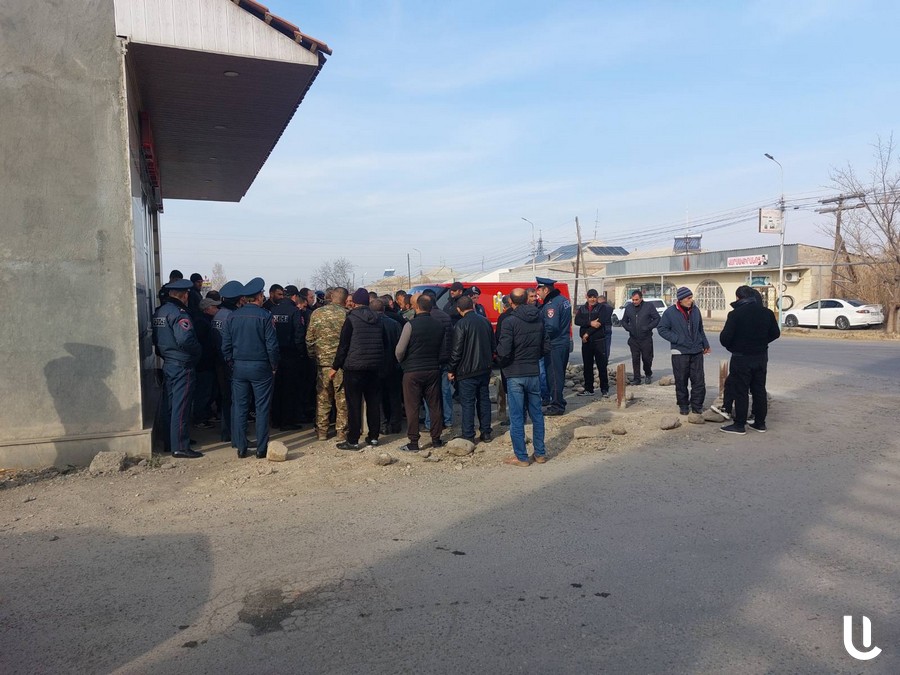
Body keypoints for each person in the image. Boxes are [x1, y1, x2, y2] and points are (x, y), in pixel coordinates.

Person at [221, 277, 280, 459]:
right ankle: (261, 449)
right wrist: (274, 365)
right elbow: (272, 346)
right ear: (259, 296)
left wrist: (231, 363)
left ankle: (241, 447)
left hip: (239, 367)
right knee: (262, 408)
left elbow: (225, 346)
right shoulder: (265, 316)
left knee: (240, 407)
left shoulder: (232, 316)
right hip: (261, 367)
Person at [496, 288, 550, 466]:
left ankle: (521, 457)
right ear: (527, 299)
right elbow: (546, 346)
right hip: (533, 371)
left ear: (511, 302)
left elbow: (504, 351)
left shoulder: (509, 321)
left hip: (515, 373)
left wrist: (502, 362)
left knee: (517, 417)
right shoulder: (539, 317)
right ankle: (540, 453)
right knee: (537, 415)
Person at [718, 285, 780, 434]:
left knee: (741, 391)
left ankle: (739, 425)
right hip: (761, 357)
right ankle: (760, 423)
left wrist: (734, 347)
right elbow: (775, 333)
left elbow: (725, 338)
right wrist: (761, 343)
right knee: (759, 389)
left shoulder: (735, 314)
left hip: (741, 358)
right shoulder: (767, 313)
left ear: (738, 297)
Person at [152, 279, 203, 458]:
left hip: (168, 362)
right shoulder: (179, 313)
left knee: (170, 404)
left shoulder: (160, 312)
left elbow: (156, 339)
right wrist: (198, 351)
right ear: (185, 295)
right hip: (182, 364)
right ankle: (180, 446)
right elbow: (185, 339)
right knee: (181, 406)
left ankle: (171, 440)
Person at [331, 288, 384, 450]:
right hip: (374, 367)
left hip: (354, 368)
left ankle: (353, 440)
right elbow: (384, 342)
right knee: (373, 402)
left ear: (354, 302)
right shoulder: (378, 319)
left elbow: (343, 346)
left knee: (353, 404)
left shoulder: (351, 319)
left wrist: (335, 366)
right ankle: (373, 437)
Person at [395, 294, 445, 452]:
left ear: (416, 307)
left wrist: (402, 362)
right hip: (433, 369)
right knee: (434, 405)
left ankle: (413, 442)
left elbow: (399, 350)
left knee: (412, 407)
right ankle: (436, 439)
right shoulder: (439, 325)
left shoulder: (410, 325)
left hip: (412, 371)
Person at [656, 286, 710, 417]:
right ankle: (683, 405)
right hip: (679, 352)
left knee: (698, 380)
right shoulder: (670, 312)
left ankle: (697, 406)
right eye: (688, 298)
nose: (691, 300)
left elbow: (700, 329)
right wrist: (677, 339)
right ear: (680, 299)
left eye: (691, 298)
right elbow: (662, 329)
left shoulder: (695, 310)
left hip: (696, 351)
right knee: (681, 380)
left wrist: (705, 343)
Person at [448, 296, 494, 443]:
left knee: (468, 403)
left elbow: (457, 350)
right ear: (473, 306)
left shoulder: (461, 324)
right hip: (484, 369)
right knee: (484, 400)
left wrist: (451, 369)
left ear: (458, 309)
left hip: (466, 371)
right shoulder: (485, 321)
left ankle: (468, 434)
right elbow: (493, 345)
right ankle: (486, 432)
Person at [306, 287, 349, 441]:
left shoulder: (316, 313)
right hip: (340, 364)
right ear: (345, 300)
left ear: (331, 297)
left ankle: (322, 431)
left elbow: (309, 339)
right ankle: (341, 432)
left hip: (322, 363)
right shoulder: (346, 314)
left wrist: (313, 356)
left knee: (323, 398)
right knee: (342, 399)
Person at [212, 280, 244, 444]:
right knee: (237, 400)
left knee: (226, 399)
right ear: (238, 299)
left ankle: (226, 432)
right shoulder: (232, 316)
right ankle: (236, 435)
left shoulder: (218, 315)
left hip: (219, 362)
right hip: (231, 363)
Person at [270, 285, 306, 430]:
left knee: (277, 388)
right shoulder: (295, 312)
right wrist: (301, 353)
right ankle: (287, 421)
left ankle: (275, 419)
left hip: (275, 354)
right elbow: (299, 334)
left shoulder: (273, 310)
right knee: (289, 389)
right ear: (295, 296)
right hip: (291, 355)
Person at [536, 276, 572, 416]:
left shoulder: (551, 305)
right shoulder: (563, 300)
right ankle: (559, 401)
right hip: (563, 342)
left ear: (546, 290)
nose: (537, 293)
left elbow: (551, 327)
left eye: (539, 290)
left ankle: (557, 405)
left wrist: (540, 338)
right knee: (559, 374)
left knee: (554, 376)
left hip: (554, 344)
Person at [422, 288, 454, 430]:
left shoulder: (425, 318)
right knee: (446, 391)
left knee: (429, 393)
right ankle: (448, 419)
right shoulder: (445, 316)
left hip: (430, 361)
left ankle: (430, 422)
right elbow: (452, 338)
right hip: (445, 359)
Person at [372, 298, 403, 435]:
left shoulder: (371, 324)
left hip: (376, 365)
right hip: (393, 364)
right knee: (394, 396)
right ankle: (396, 425)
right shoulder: (395, 324)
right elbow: (401, 346)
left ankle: (382, 424)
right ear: (384, 309)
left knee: (378, 397)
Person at [574, 289, 610, 397]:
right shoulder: (582, 308)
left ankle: (605, 389)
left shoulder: (602, 308)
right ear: (587, 297)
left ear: (597, 297)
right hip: (586, 342)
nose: (592, 299)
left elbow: (599, 323)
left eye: (594, 297)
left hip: (599, 341)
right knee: (587, 366)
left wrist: (587, 333)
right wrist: (589, 323)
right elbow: (577, 321)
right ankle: (589, 389)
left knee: (601, 366)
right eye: (590, 297)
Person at [620, 289, 660, 385]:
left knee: (647, 358)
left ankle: (648, 374)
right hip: (634, 339)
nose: (634, 302)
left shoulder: (649, 307)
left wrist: (648, 327)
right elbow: (624, 321)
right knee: (635, 359)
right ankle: (637, 378)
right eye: (633, 300)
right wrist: (629, 328)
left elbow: (657, 318)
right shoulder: (629, 308)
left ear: (641, 298)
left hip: (646, 338)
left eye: (636, 300)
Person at [192, 297, 221, 428]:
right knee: (204, 391)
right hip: (204, 363)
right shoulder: (201, 322)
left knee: (210, 390)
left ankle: (206, 414)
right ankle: (199, 418)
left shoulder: (206, 320)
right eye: (214, 307)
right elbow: (202, 343)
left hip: (207, 362)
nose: (217, 309)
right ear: (207, 309)